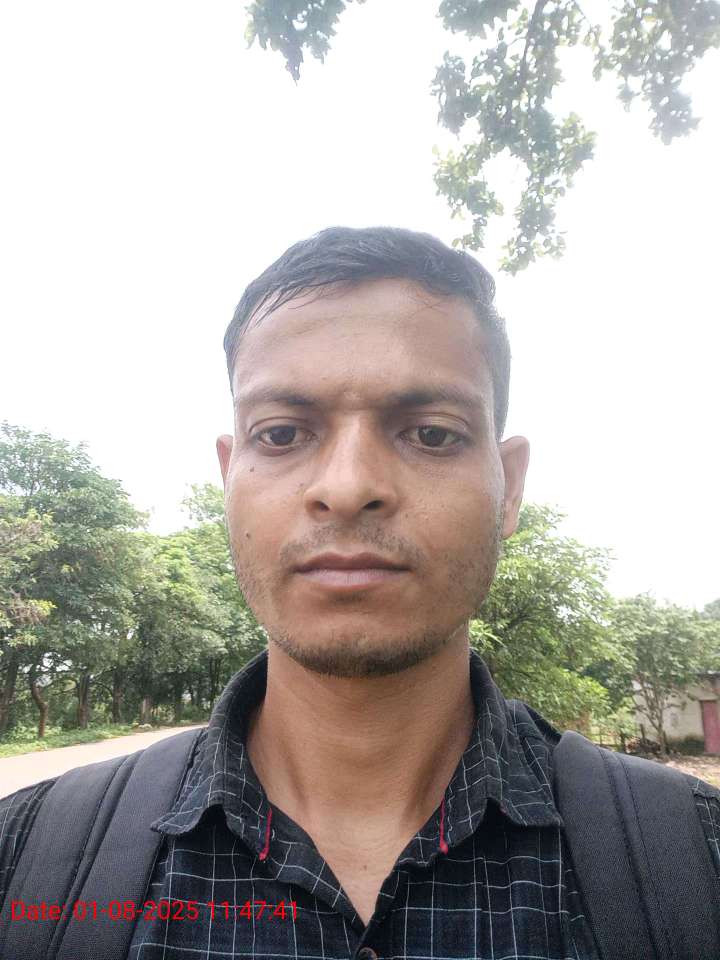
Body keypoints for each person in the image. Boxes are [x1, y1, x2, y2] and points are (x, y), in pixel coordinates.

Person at [1, 225, 719, 959]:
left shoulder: (698, 859)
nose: (346, 488)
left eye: (431, 434)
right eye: (282, 434)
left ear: (509, 488)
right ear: (228, 477)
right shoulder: (24, 860)